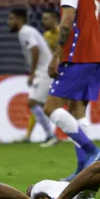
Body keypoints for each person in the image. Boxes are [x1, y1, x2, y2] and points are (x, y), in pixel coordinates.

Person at [43, 0, 100, 181]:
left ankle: (92, 151)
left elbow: (67, 20)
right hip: (95, 54)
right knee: (77, 109)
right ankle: (83, 168)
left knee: (51, 107)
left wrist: (56, 56)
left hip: (77, 54)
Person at [8, 8, 58, 147]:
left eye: (11, 18)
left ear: (19, 19)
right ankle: (45, 135)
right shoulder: (27, 31)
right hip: (44, 70)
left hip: (44, 71)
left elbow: (34, 49)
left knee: (33, 102)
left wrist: (32, 72)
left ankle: (51, 136)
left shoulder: (25, 32)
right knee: (40, 104)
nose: (9, 22)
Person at [24, 8, 60, 142]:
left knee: (40, 102)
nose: (43, 21)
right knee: (37, 102)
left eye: (46, 18)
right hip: (51, 74)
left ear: (55, 19)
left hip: (65, 73)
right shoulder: (45, 37)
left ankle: (77, 134)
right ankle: (29, 135)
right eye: (43, 18)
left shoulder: (64, 34)